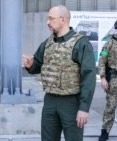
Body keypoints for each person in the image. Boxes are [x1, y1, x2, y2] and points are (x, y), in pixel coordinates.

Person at [23, 5, 96, 141]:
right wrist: (30, 64)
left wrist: (84, 108)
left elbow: (89, 77)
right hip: (50, 100)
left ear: (63, 20)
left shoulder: (81, 44)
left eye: (51, 19)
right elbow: (37, 65)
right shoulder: (47, 43)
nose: (47, 22)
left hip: (71, 102)